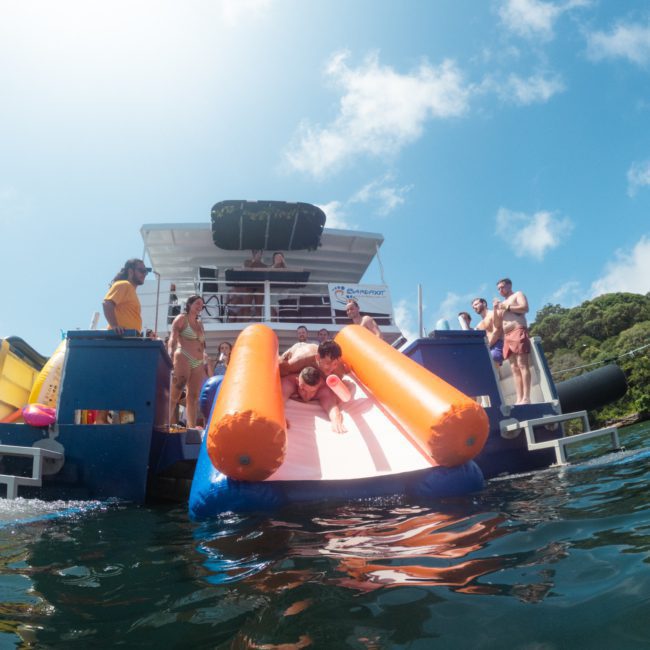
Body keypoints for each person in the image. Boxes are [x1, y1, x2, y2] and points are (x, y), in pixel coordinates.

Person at [168, 295, 207, 428]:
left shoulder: (200, 324)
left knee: (194, 397)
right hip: (183, 355)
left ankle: (191, 428)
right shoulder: (181, 318)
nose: (199, 306)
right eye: (197, 303)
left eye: (201, 305)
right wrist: (170, 354)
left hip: (198, 361)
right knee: (177, 390)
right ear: (189, 304)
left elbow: (202, 344)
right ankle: (164, 422)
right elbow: (173, 337)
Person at [493, 278, 531, 404]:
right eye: (498, 288)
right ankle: (519, 398)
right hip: (507, 336)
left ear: (509, 286)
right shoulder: (501, 304)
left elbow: (525, 308)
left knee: (522, 364)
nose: (500, 290)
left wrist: (507, 307)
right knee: (514, 368)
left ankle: (526, 397)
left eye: (502, 287)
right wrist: (495, 309)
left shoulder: (517, 294)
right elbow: (497, 324)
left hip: (517, 329)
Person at [281, 366, 346, 433]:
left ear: (319, 385)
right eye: (303, 390)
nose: (307, 396)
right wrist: (279, 416)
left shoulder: (323, 389)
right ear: (298, 382)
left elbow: (331, 406)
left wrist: (336, 419)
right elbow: (278, 402)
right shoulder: (289, 383)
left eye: (312, 391)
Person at [102, 258, 149, 334]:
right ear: (130, 271)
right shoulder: (124, 284)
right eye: (141, 270)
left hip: (128, 338)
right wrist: (114, 326)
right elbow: (107, 303)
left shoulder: (130, 290)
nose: (144, 274)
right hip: (120, 338)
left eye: (146, 271)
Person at [279, 339, 348, 379]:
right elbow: (280, 367)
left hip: (320, 350)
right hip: (300, 348)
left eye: (335, 363)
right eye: (328, 363)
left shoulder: (337, 366)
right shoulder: (304, 358)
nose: (331, 367)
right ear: (317, 358)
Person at [471, 298, 504, 367]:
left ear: (484, 304)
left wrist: (488, 346)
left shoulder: (493, 314)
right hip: (489, 347)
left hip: (499, 344)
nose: (474, 307)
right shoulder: (479, 325)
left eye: (476, 304)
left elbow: (497, 331)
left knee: (491, 356)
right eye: (473, 307)